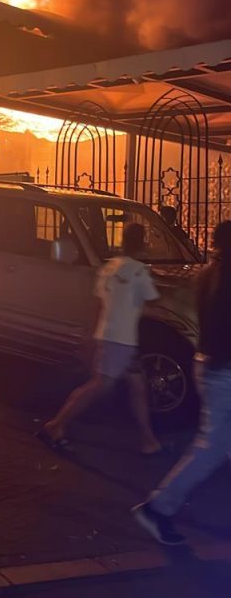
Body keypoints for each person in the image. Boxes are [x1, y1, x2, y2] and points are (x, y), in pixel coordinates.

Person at [133, 220, 231, 546]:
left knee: (215, 446)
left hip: (210, 365)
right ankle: (158, 508)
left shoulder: (208, 275)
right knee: (210, 448)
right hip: (224, 371)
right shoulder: (225, 279)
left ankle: (160, 508)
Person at [41, 221, 161, 454]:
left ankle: (149, 440)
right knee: (99, 385)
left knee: (137, 386)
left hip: (110, 336)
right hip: (122, 340)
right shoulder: (139, 270)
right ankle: (55, 425)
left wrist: (92, 333)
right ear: (142, 243)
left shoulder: (108, 267)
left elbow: (98, 303)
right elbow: (153, 300)